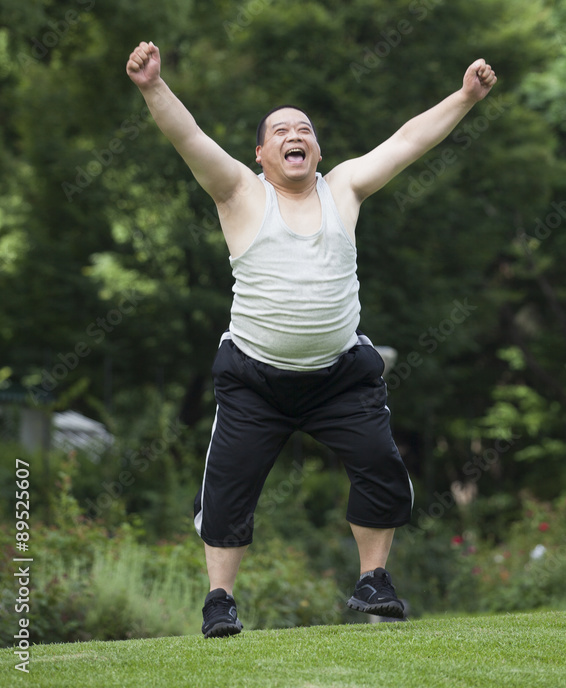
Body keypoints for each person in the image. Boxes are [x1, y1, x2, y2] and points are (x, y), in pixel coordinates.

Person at [126, 40, 497, 637]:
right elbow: (189, 137)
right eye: (280, 131)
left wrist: (465, 97)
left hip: (340, 375)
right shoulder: (240, 192)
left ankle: (374, 581)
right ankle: (220, 600)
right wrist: (152, 87)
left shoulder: (343, 188)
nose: (294, 135)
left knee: (381, 467)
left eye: (304, 130)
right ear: (261, 152)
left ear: (317, 150)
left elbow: (406, 142)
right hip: (254, 379)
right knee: (225, 493)